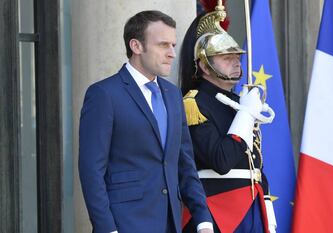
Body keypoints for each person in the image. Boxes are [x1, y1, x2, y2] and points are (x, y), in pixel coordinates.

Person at [79, 10, 214, 233]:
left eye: (173, 44)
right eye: (163, 45)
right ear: (136, 46)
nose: (172, 53)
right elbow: (91, 170)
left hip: (170, 223)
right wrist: (106, 229)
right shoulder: (104, 94)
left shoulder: (172, 94)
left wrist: (203, 219)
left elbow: (184, 163)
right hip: (125, 224)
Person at [179, 4, 277, 233]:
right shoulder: (194, 103)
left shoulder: (237, 102)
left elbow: (256, 164)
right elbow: (221, 160)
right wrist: (245, 115)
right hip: (218, 209)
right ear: (204, 65)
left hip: (252, 205)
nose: (236, 62)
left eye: (236, 57)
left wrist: (267, 212)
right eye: (226, 58)